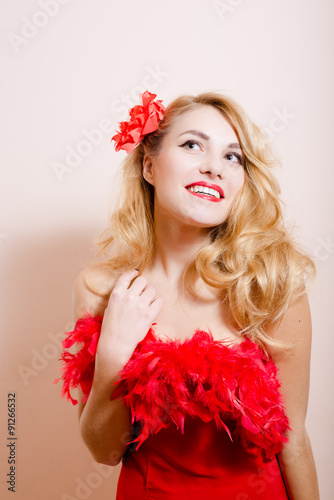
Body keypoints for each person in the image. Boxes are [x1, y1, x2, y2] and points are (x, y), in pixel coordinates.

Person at [56, 90, 320, 499]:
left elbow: (293, 438)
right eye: (192, 144)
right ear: (148, 165)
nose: (214, 167)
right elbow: (104, 451)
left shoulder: (270, 287)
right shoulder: (100, 290)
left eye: (233, 157)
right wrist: (112, 354)